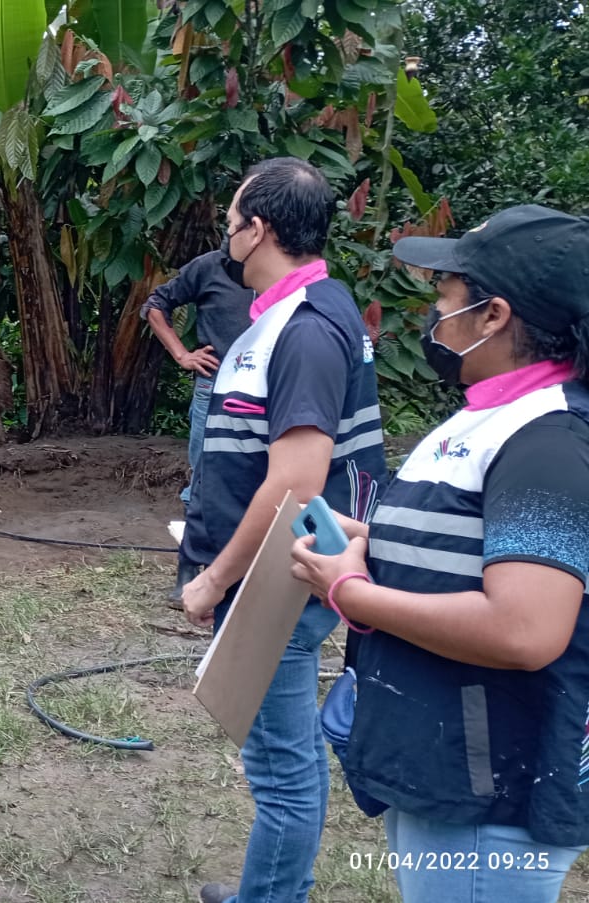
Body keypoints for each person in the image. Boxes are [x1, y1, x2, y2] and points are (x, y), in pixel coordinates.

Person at [291, 205, 589, 903]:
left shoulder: (548, 441)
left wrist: (351, 593)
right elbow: (472, 543)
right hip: (445, 759)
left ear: (494, 316)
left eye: (446, 296)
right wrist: (372, 541)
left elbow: (525, 628)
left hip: (488, 790)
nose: (435, 314)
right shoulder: (492, 415)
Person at [182, 158, 388, 903]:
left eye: (231, 223)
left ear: (258, 229)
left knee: (281, 772)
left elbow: (296, 480)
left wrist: (214, 580)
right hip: (281, 566)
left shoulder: (304, 329)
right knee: (283, 760)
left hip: (278, 576)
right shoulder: (295, 313)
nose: (227, 237)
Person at [141, 250, 254, 601]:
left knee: (252, 480)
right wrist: (182, 354)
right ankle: (188, 573)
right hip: (214, 385)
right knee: (204, 478)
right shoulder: (209, 266)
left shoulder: (280, 268)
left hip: (263, 389)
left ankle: (236, 576)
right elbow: (155, 305)